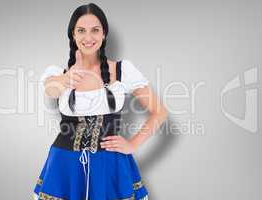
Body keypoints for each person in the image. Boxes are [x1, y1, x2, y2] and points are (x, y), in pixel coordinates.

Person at [33, 3, 168, 200]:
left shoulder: (123, 70)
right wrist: (66, 79)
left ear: (104, 34)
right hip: (65, 165)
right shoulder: (57, 73)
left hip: (110, 164)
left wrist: (133, 144)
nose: (88, 37)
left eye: (95, 30)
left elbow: (159, 112)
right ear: (73, 35)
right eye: (81, 31)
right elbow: (50, 90)